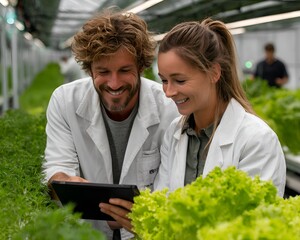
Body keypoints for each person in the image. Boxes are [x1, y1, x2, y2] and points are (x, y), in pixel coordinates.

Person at [99, 18, 287, 234]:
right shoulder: (174, 133)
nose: (168, 92)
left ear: (214, 73)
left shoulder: (257, 140)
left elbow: (252, 229)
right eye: (164, 80)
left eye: (179, 81)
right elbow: (166, 210)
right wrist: (143, 223)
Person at [42, 10, 179, 240]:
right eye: (103, 72)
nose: (114, 84)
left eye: (124, 71)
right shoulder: (65, 101)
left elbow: (175, 182)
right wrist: (65, 181)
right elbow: (57, 165)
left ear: (141, 67)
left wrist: (141, 215)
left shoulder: (168, 107)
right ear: (89, 70)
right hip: (88, 232)